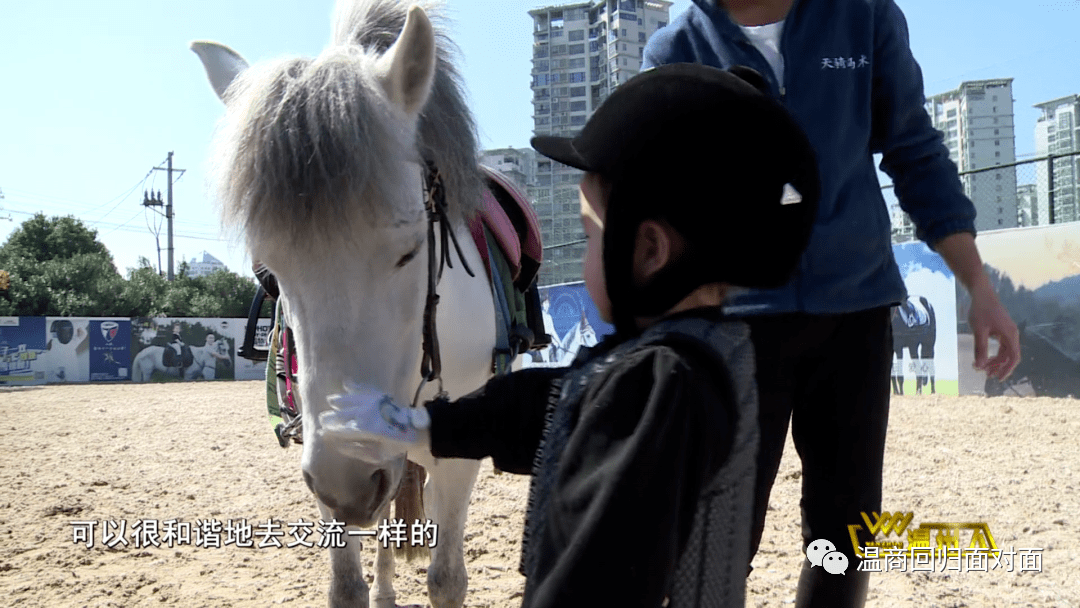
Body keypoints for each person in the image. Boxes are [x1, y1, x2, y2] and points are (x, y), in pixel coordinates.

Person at [318, 63, 820, 608]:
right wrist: (419, 426)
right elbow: (551, 408)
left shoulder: (662, 387)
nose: (582, 257)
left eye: (588, 234)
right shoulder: (694, 358)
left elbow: (599, 572)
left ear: (649, 252)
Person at [640, 1, 1021, 606]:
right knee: (715, 538)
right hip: (732, 329)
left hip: (855, 312)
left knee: (846, 537)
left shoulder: (862, 15)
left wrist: (979, 286)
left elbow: (915, 151)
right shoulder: (675, 49)